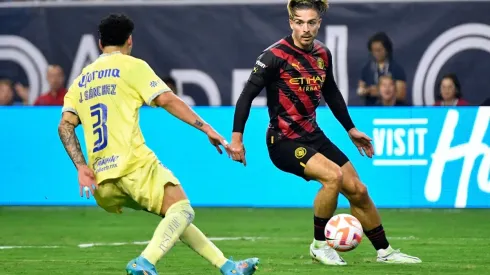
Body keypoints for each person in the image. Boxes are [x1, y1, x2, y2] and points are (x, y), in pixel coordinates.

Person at [57, 14, 259, 275]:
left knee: (173, 215)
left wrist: (81, 166)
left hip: (100, 180)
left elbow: (64, 126)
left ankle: (228, 266)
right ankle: (145, 261)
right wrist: (207, 128)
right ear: (130, 40)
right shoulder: (132, 66)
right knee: (183, 210)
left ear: (99, 44)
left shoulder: (81, 79)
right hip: (132, 165)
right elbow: (167, 100)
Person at [230, 0, 421, 266]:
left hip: (313, 135)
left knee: (358, 190)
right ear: (291, 23)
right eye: (299, 22)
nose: (305, 28)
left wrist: (350, 129)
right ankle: (319, 245)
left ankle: (385, 252)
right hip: (283, 141)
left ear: (319, 23)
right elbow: (246, 97)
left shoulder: (322, 54)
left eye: (311, 22)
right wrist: (237, 138)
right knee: (333, 177)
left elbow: (330, 92)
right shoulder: (273, 56)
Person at [357, 32, 407, 106]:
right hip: (372, 111)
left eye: (379, 50)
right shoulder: (366, 69)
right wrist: (365, 91)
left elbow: (401, 95)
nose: (377, 53)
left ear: (387, 50)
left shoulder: (396, 68)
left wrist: (379, 92)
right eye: (374, 50)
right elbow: (360, 91)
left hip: (393, 111)